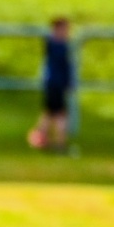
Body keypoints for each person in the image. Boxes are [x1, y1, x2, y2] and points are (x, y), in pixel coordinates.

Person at [28, 17, 74, 153]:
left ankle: (40, 140)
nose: (68, 32)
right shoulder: (57, 45)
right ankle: (59, 143)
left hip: (53, 84)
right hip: (56, 84)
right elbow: (63, 67)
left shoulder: (56, 44)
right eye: (65, 29)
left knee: (49, 114)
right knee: (59, 114)